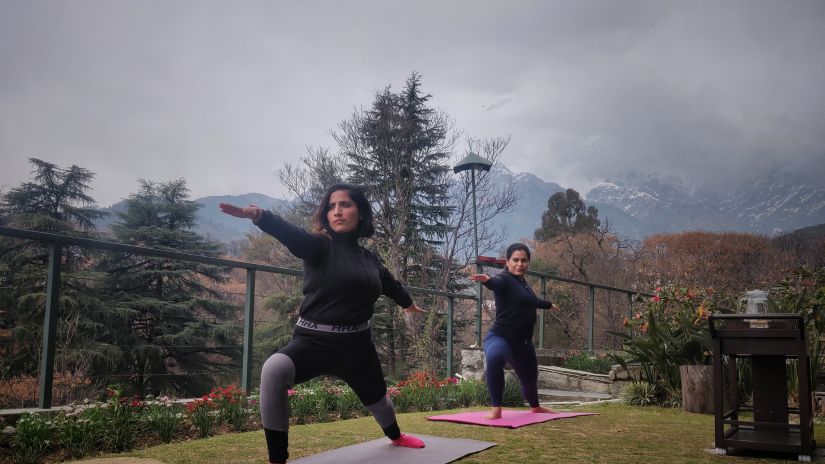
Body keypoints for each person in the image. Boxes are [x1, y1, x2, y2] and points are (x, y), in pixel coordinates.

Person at [220, 183, 426, 464]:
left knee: (379, 401)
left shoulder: (370, 259)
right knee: (274, 369)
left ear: (361, 213)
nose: (337, 211)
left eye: (345, 205)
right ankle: (277, 459)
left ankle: (396, 436)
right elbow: (292, 235)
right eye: (331, 206)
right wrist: (261, 216)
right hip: (313, 342)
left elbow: (390, 284)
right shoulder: (319, 246)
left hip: (357, 347)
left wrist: (408, 304)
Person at [470, 242, 559, 420]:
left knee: (530, 380)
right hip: (500, 338)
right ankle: (496, 409)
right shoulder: (504, 280)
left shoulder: (524, 284)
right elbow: (496, 283)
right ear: (508, 262)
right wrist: (488, 280)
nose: (520, 264)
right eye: (516, 260)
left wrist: (549, 305)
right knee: (495, 357)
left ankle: (535, 407)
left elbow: (533, 301)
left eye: (524, 260)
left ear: (528, 263)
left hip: (524, 344)